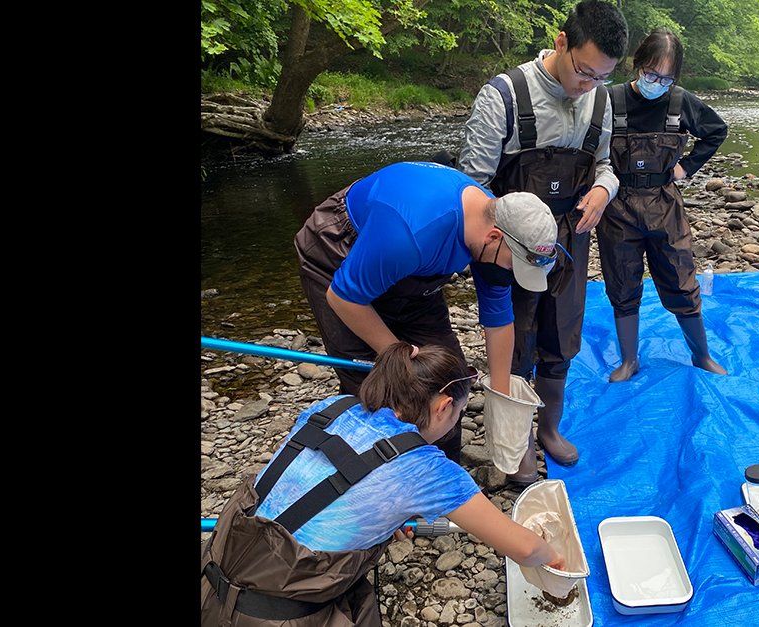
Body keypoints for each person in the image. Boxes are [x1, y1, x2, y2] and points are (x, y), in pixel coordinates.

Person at [201, 342, 568, 626]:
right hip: (273, 615)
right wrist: (554, 559)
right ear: (442, 406)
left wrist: (380, 522)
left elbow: (322, 490)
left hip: (212, 572)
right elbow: (522, 548)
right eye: (457, 414)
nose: (454, 424)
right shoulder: (425, 470)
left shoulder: (331, 407)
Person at [457, 0, 629, 483]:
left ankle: (549, 429)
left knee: (562, 335)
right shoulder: (505, 96)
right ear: (561, 43)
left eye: (602, 77)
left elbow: (605, 165)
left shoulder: (600, 98)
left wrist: (603, 188)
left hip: (569, 238)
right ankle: (514, 447)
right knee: (513, 342)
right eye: (584, 73)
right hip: (507, 243)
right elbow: (469, 187)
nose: (588, 86)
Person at [293, 161, 559, 466]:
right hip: (340, 251)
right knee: (375, 380)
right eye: (514, 267)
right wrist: (397, 352)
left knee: (450, 377)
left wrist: (501, 396)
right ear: (494, 237)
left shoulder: (497, 229)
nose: (511, 274)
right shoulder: (413, 233)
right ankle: (368, 478)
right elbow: (343, 298)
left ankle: (439, 476)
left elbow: (498, 320)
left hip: (413, 269)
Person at [595, 27, 731, 382]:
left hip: (665, 207)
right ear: (637, 65)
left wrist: (687, 167)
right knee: (622, 285)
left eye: (667, 78)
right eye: (651, 74)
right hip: (617, 207)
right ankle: (629, 360)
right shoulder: (608, 100)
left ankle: (701, 355)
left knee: (682, 281)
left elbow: (717, 130)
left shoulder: (680, 101)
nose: (658, 82)